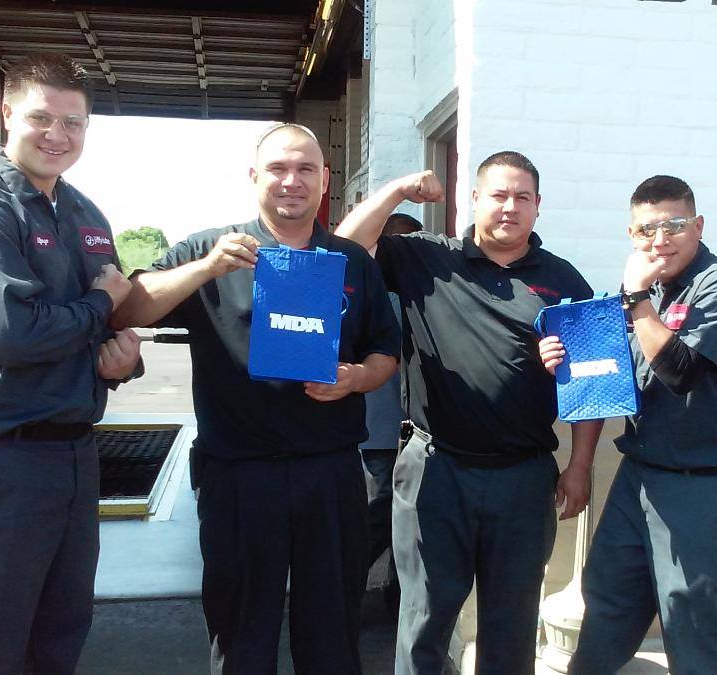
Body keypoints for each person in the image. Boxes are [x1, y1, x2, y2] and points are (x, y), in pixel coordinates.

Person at [110, 123, 400, 674]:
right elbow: (128, 309)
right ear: (253, 176)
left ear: (324, 180)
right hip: (239, 475)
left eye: (305, 169)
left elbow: (386, 350)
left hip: (330, 473)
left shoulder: (351, 261)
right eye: (278, 168)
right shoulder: (211, 249)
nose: (292, 181)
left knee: (332, 637)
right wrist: (206, 269)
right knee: (242, 633)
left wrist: (357, 377)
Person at [0, 52, 142, 674]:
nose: (56, 135)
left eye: (73, 123)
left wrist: (119, 361)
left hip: (72, 458)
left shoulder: (85, 213)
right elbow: (11, 334)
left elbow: (101, 321)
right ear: (8, 113)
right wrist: (103, 303)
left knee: (57, 642)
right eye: (42, 118)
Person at [336, 156, 604, 675]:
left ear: (538, 206)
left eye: (522, 197)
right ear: (475, 200)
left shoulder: (564, 279)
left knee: (511, 628)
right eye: (498, 195)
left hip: (523, 478)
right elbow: (344, 248)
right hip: (436, 470)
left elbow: (593, 380)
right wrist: (397, 191)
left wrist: (580, 465)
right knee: (424, 623)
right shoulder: (425, 258)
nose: (510, 207)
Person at [539, 175, 717, 674]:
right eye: (646, 230)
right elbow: (611, 376)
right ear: (631, 235)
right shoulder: (647, 294)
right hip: (637, 476)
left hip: (699, 486)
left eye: (674, 225)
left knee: (697, 632)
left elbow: (681, 372)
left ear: (698, 225)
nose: (660, 240)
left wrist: (636, 298)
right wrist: (563, 359)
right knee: (606, 607)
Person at [359, 212, 423, 615]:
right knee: (384, 511)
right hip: (384, 430)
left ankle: (397, 594)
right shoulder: (383, 295)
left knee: (407, 514)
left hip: (404, 430)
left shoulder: (412, 293)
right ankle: (342, 582)